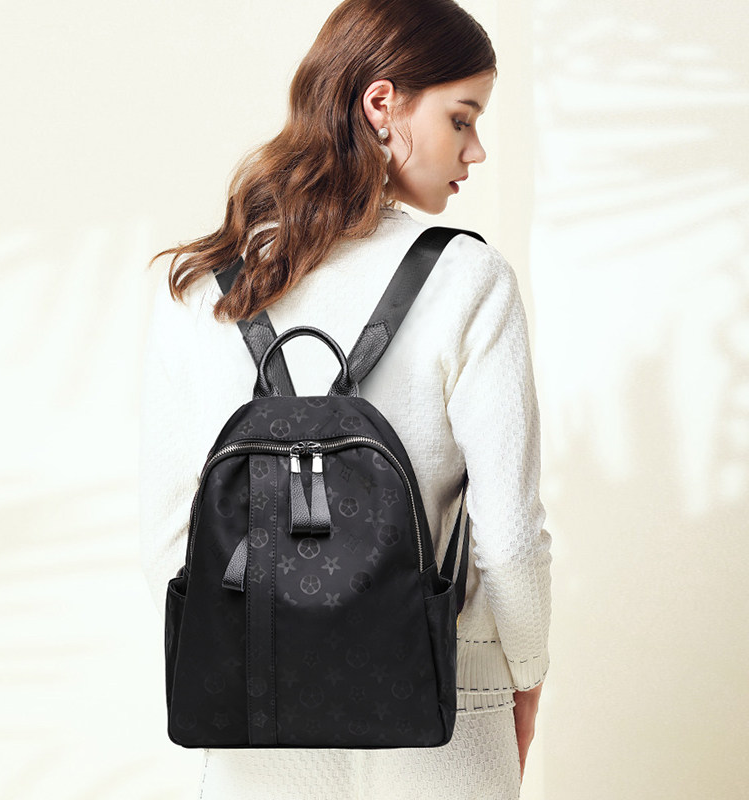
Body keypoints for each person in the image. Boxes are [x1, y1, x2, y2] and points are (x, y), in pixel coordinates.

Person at [139, 0, 552, 798]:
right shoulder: (470, 278)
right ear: (381, 103)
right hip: (447, 701)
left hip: (256, 707)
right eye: (462, 118)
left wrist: (248, 657)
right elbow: (508, 536)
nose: (477, 149)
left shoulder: (198, 286)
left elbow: (170, 541)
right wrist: (526, 673)